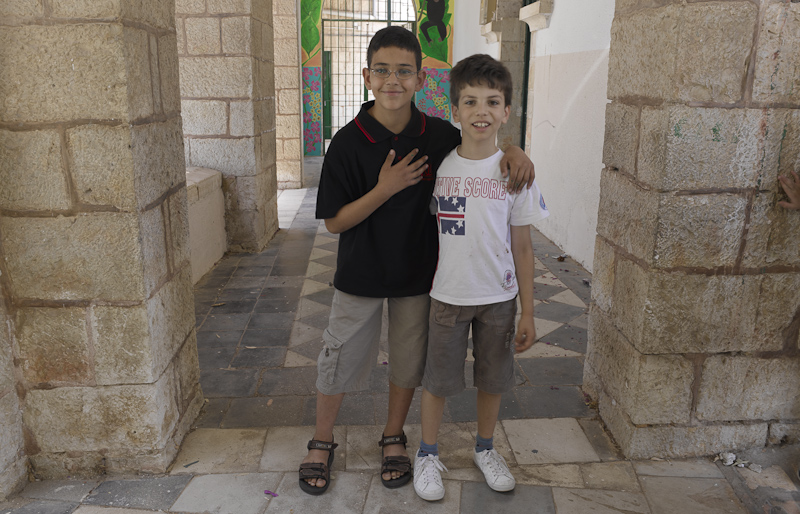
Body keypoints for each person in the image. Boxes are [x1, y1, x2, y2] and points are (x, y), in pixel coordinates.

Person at [298, 28, 535, 495]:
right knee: (339, 356)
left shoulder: (438, 134)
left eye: (404, 71)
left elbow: (479, 144)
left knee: (408, 362)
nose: (393, 80)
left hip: (418, 276)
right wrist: (384, 189)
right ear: (367, 76)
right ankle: (321, 441)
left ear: (420, 79)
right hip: (360, 274)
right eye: (382, 70)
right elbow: (333, 223)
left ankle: (393, 437)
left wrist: (513, 149)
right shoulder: (347, 143)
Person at [412, 54, 549, 501]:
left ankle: (485, 449)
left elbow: (524, 247)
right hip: (447, 295)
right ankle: (428, 454)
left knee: (493, 379)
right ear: (455, 111)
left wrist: (529, 310)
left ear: (507, 111)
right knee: (438, 380)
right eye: (469, 102)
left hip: (499, 298)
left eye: (493, 102)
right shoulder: (439, 168)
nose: (481, 111)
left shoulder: (516, 174)